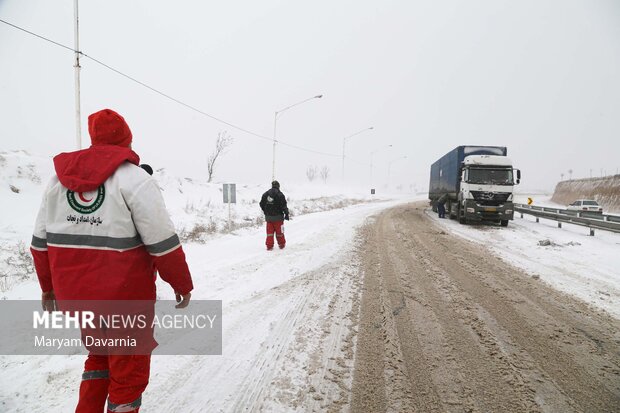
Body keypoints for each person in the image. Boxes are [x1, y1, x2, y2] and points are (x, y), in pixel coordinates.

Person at [30, 108, 193, 413]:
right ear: (126, 140)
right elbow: (163, 242)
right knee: (128, 373)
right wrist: (181, 283)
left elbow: (40, 244)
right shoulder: (134, 180)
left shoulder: (57, 182)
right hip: (125, 299)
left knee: (99, 359)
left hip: (79, 299)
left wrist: (47, 286)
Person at [259, 180, 289, 250]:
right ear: (278, 186)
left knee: (269, 233)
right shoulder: (280, 195)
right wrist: (286, 213)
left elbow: (261, 204)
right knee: (279, 233)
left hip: (269, 218)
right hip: (278, 218)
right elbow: (284, 205)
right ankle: (281, 245)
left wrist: (266, 211)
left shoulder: (265, 194)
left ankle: (269, 246)